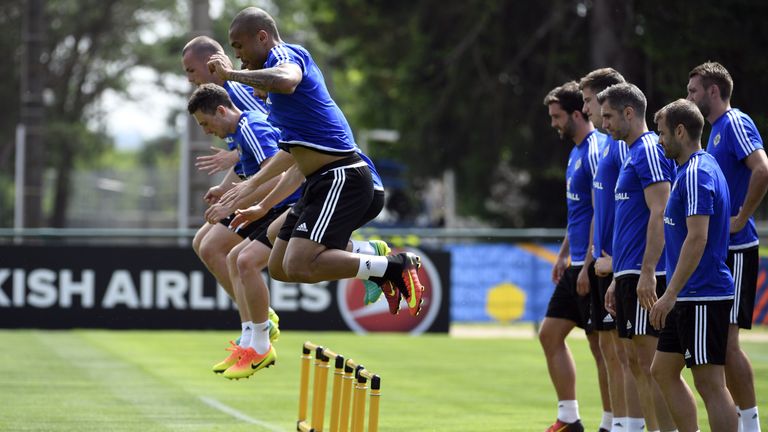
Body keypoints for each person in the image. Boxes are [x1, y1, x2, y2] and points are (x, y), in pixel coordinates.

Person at [205, 6, 425, 326]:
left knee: (300, 262)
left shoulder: (286, 54)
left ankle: (394, 267)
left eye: (238, 47)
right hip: (317, 182)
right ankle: (380, 268)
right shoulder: (281, 109)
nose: (237, 56)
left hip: (341, 176)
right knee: (281, 267)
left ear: (262, 38)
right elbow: (291, 156)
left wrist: (231, 76)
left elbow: (287, 79)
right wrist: (249, 188)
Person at [181, 37, 282, 367]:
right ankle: (254, 325)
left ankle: (257, 326)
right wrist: (227, 182)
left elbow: (269, 140)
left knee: (217, 249)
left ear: (212, 61)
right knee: (204, 243)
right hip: (259, 184)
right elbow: (253, 150)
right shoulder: (223, 99)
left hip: (278, 189)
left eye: (192, 70)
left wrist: (235, 167)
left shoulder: (235, 93)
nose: (190, 77)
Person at [187, 83, 298, 377]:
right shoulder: (240, 132)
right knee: (236, 258)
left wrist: (231, 205)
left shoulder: (252, 127)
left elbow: (276, 178)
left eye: (206, 123)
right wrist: (226, 192)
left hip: (289, 205)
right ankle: (251, 339)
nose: (206, 131)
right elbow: (251, 175)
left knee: (241, 259)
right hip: (271, 206)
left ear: (222, 111)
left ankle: (260, 339)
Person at [686, 61, 766, 432]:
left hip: (736, 248)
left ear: (713, 92)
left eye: (693, 92)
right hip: (723, 250)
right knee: (722, 346)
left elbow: (762, 168)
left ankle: (750, 425)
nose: (689, 98)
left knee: (728, 345)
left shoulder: (733, 123)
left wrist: (740, 217)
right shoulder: (716, 130)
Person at [650, 98, 737, 431]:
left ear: (680, 131)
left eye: (662, 133)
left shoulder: (698, 172)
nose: (659, 140)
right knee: (662, 371)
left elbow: (697, 238)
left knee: (711, 383)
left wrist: (669, 293)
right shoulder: (691, 170)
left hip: (701, 293)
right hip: (686, 295)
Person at [597, 83, 676, 432]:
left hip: (649, 274)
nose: (604, 124)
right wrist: (618, 276)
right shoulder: (630, 152)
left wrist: (647, 273)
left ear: (629, 113)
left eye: (609, 116)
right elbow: (631, 222)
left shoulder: (647, 150)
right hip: (628, 273)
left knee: (654, 366)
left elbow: (661, 212)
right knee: (634, 361)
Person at [540, 81, 608, 432]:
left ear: (577, 114)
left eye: (557, 116)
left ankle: (612, 423)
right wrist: (563, 255)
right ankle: (569, 418)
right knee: (549, 334)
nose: (554, 123)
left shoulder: (596, 149)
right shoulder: (575, 152)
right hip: (575, 262)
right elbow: (577, 213)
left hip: (591, 266)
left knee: (602, 349)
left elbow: (601, 208)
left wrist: (591, 261)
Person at [580, 68, 644, 432]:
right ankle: (615, 423)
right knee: (611, 351)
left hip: (620, 263)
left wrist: (616, 261)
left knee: (626, 354)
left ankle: (626, 424)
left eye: (591, 101)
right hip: (606, 261)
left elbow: (636, 211)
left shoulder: (626, 148)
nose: (590, 111)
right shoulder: (607, 146)